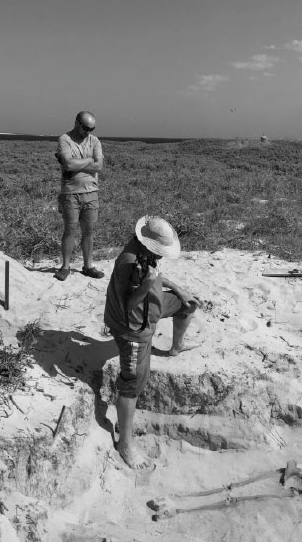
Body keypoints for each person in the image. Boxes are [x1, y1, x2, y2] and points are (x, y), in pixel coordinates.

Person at [104, 216, 199, 468]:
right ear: (148, 244)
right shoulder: (128, 262)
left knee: (189, 305)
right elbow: (128, 305)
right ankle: (125, 443)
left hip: (151, 307)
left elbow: (155, 277)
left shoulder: (143, 251)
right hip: (133, 328)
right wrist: (146, 285)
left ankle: (175, 348)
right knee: (132, 384)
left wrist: (177, 289)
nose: (162, 256)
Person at [53, 111, 105, 281]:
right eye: (86, 128)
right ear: (77, 123)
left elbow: (99, 166)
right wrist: (89, 161)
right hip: (70, 193)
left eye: (92, 129)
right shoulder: (65, 139)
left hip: (91, 192)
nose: (89, 132)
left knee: (88, 231)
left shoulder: (95, 141)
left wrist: (79, 164)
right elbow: (68, 164)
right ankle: (65, 267)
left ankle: (88, 266)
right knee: (70, 230)